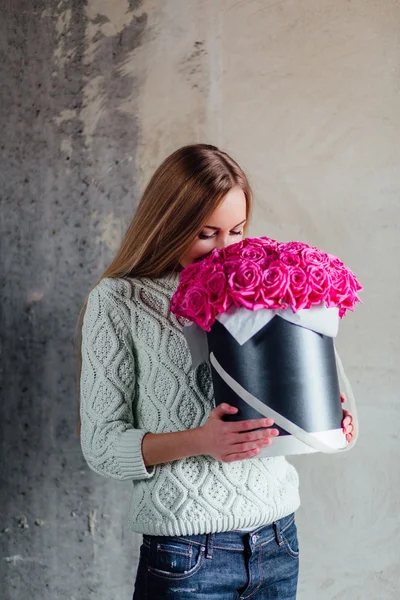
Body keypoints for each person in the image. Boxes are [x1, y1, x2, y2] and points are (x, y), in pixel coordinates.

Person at [75, 143, 354, 600]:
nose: (224, 250)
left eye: (237, 231)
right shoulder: (121, 300)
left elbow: (314, 398)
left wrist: (329, 417)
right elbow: (102, 445)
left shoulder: (262, 285)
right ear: (169, 223)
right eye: (206, 234)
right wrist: (201, 441)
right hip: (187, 555)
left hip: (277, 540)